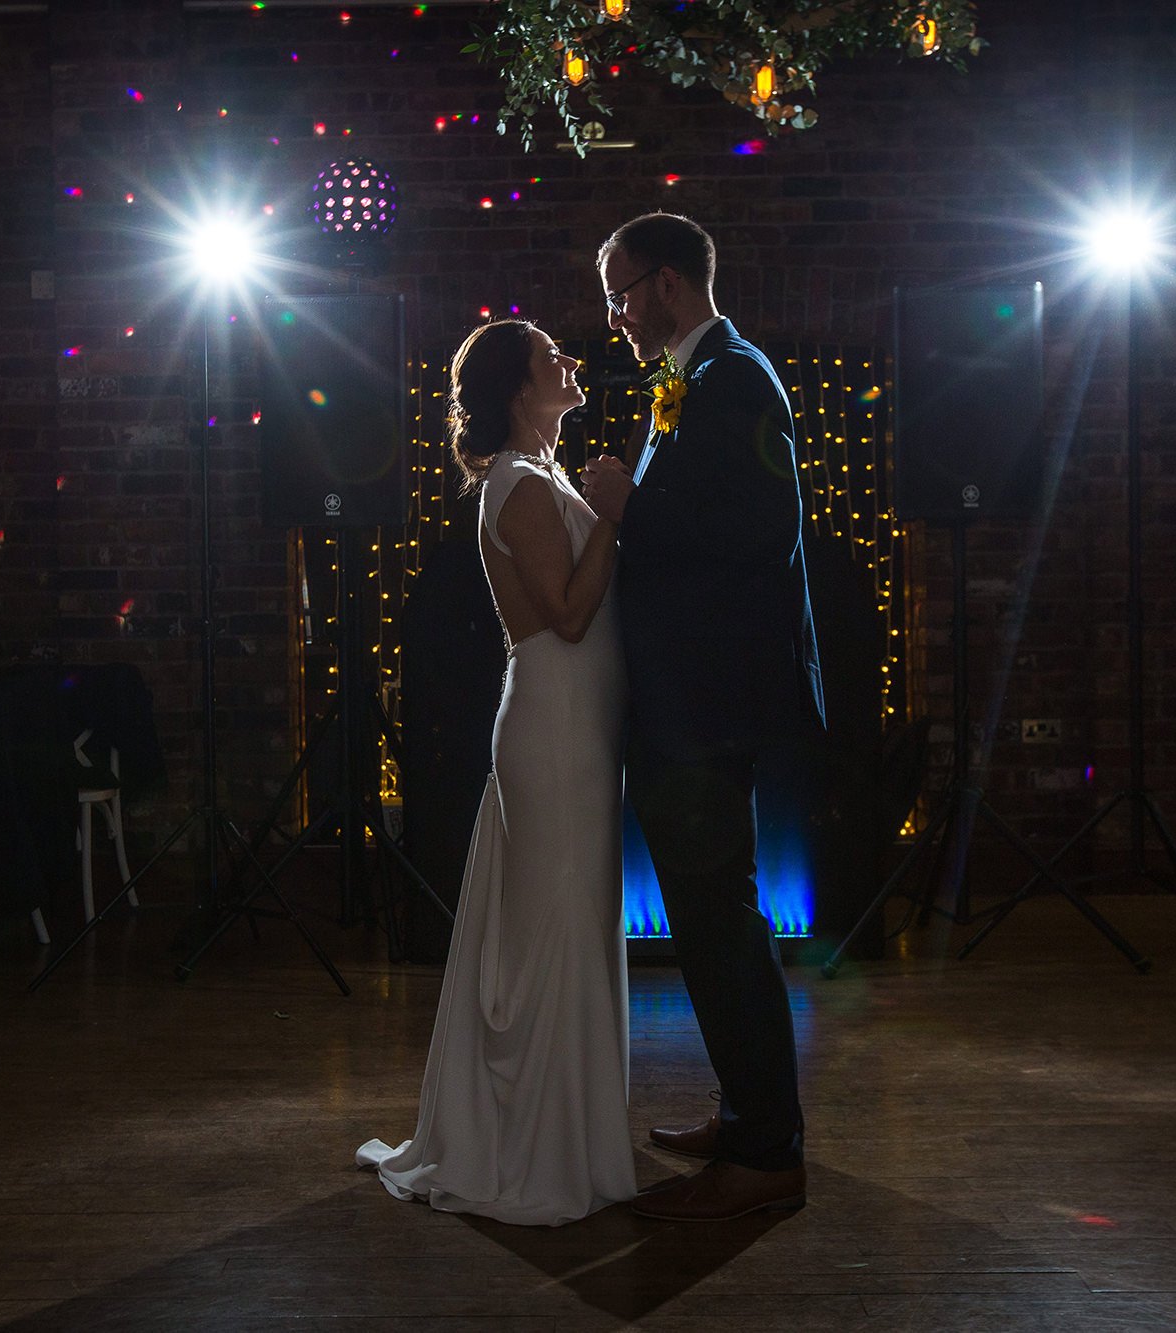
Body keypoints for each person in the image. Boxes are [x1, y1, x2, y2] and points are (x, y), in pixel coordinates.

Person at [357, 319, 635, 1226]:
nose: (572, 362)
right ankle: (538, 1152)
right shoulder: (515, 485)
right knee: (554, 923)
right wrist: (616, 518)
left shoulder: (546, 474)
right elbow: (563, 614)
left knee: (576, 917)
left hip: (576, 722)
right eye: (554, 355)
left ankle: (576, 1139)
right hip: (554, 721)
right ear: (520, 388)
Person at [581, 213, 825, 1222]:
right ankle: (743, 1115)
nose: (614, 316)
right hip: (690, 697)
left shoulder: (734, 376)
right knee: (711, 921)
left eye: (620, 293)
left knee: (720, 926)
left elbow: (766, 527)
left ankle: (767, 1149)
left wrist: (629, 509)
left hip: (710, 703)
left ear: (668, 284)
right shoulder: (689, 376)